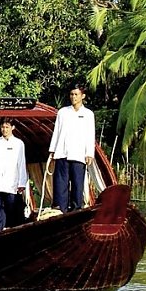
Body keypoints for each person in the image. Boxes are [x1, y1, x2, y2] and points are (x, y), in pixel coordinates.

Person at [48, 83, 95, 212]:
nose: (73, 97)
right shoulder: (63, 112)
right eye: (71, 94)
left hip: (79, 155)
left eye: (76, 94)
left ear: (82, 96)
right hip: (62, 153)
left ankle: (76, 210)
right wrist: (52, 150)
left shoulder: (88, 114)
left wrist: (89, 153)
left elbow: (90, 135)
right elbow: (56, 131)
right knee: (60, 184)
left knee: (77, 184)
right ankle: (60, 210)